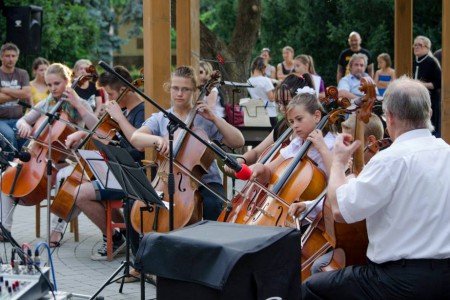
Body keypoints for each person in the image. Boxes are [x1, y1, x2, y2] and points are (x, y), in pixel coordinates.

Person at [299, 76, 450, 299]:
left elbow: (340, 211)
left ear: (389, 117)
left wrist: (339, 162)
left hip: (395, 282)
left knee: (311, 287)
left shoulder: (390, 160)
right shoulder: (446, 153)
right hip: (445, 279)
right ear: (430, 113)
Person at [48, 66, 145, 260]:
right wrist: (84, 134)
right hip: (119, 171)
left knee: (80, 194)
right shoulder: (125, 111)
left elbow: (139, 148)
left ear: (125, 90)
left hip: (134, 175)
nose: (108, 100)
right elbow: (111, 139)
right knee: (78, 184)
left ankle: (115, 238)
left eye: (110, 94)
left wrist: (117, 117)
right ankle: (121, 235)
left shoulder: (141, 112)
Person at [130, 65, 245, 221]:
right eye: (175, 88)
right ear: (169, 88)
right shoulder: (161, 118)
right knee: (135, 204)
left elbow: (238, 141)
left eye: (185, 89)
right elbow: (136, 138)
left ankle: (209, 244)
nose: (179, 93)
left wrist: (215, 118)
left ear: (194, 91)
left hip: (205, 181)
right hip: (166, 179)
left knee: (214, 204)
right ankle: (143, 246)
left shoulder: (205, 118)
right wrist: (157, 139)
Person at [0, 63, 98, 241]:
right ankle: (4, 229)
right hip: (43, 160)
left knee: (64, 178)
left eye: (57, 84)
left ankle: (57, 228)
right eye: (50, 85)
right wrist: (23, 125)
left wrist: (77, 104)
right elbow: (24, 119)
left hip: (70, 161)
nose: (53, 88)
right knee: (5, 177)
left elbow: (96, 127)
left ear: (67, 81)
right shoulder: (47, 103)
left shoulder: (80, 103)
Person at [290, 112, 384, 274]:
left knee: (317, 270)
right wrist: (307, 206)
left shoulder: (376, 171)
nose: (345, 149)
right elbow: (334, 200)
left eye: (349, 142)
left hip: (367, 251)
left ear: (370, 142)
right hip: (350, 247)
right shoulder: (352, 167)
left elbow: (344, 206)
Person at [225, 74, 315, 172]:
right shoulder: (283, 126)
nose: (281, 108)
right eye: (279, 103)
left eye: (285, 103)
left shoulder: (310, 133)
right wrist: (240, 160)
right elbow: (257, 152)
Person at [0, 42, 31, 152]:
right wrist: (18, 93)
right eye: (7, 56)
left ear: (17, 57)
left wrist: (4, 90)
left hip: (19, 118)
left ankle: (23, 165)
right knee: (9, 136)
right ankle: (12, 166)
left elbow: (26, 93)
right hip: (1, 120)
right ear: (1, 57)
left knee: (26, 135)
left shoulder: (22, 73)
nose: (11, 59)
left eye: (13, 56)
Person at [413, 35, 441, 137]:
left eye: (419, 45)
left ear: (427, 47)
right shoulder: (413, 61)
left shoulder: (431, 62)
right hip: (415, 99)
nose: (416, 47)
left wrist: (421, 85)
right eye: (415, 45)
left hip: (430, 100)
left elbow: (439, 82)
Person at [247, 56, 277, 128]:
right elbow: (272, 98)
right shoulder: (266, 80)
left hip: (257, 113)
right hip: (269, 113)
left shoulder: (249, 81)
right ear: (264, 68)